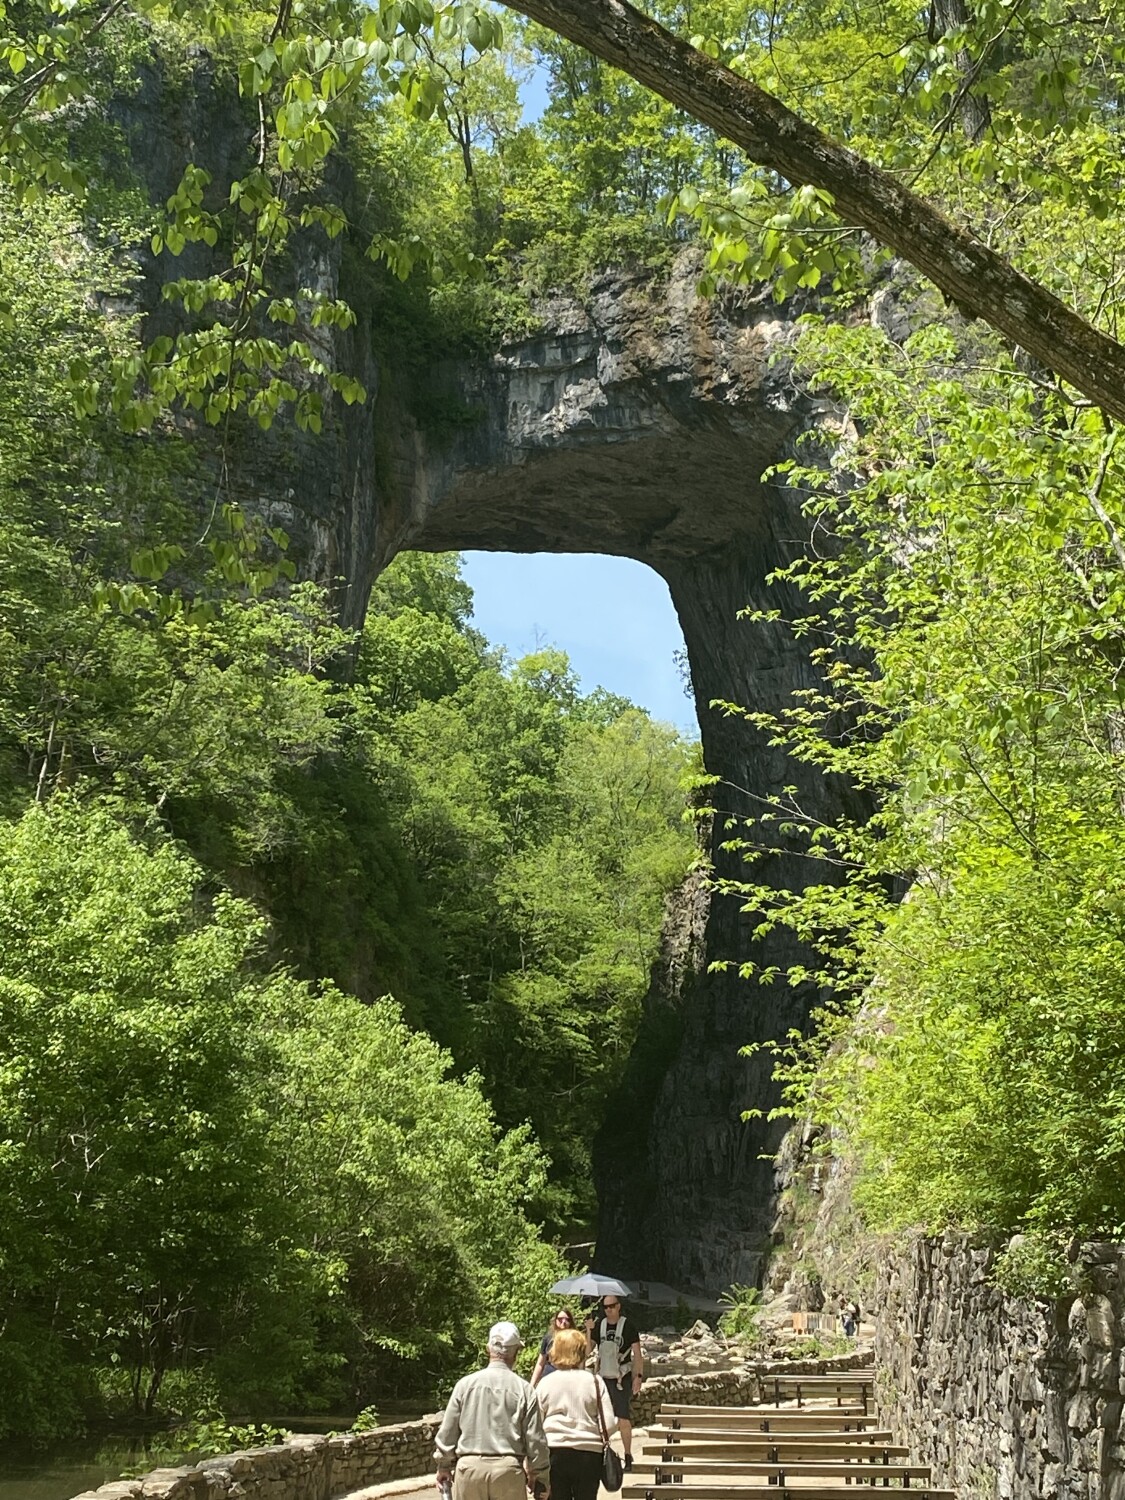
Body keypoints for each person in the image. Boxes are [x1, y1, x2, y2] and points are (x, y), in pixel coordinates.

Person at [434, 1321, 551, 1500]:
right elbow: (535, 1439)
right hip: (508, 1471)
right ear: (516, 1353)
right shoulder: (524, 1389)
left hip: (469, 1469)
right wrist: (540, 1475)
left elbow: (448, 1431)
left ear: (488, 1349)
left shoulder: (465, 1385)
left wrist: (443, 1466)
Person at [535, 1327, 619, 1500]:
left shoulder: (545, 1383)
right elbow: (609, 1424)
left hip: (554, 1451)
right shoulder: (595, 1381)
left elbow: (535, 1427)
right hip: (589, 1453)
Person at [585, 1294, 643, 1470]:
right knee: (599, 1417)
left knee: (623, 1417)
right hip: (603, 1378)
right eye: (605, 1307)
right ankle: (601, 1454)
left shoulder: (628, 1326)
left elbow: (637, 1354)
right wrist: (588, 1330)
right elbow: (587, 1351)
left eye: (611, 1306)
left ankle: (628, 1455)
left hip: (621, 1378)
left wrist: (638, 1377)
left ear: (618, 1306)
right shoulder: (599, 1326)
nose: (608, 1310)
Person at [531, 1309, 576, 1388]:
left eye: (567, 1319)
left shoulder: (575, 1339)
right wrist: (531, 1385)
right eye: (560, 1319)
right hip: (549, 1376)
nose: (563, 1322)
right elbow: (540, 1363)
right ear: (555, 1321)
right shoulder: (548, 1338)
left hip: (568, 1379)